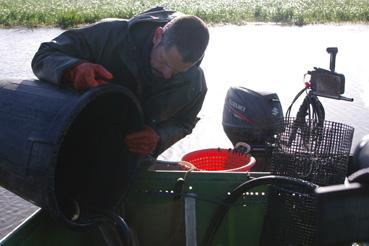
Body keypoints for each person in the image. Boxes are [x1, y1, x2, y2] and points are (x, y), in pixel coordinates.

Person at [31, 6, 209, 157]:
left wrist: (158, 137)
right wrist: (74, 69)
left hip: (127, 159)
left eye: (178, 71)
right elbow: (44, 56)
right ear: (158, 36)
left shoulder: (196, 82)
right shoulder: (110, 35)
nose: (167, 74)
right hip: (72, 139)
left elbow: (185, 122)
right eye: (164, 62)